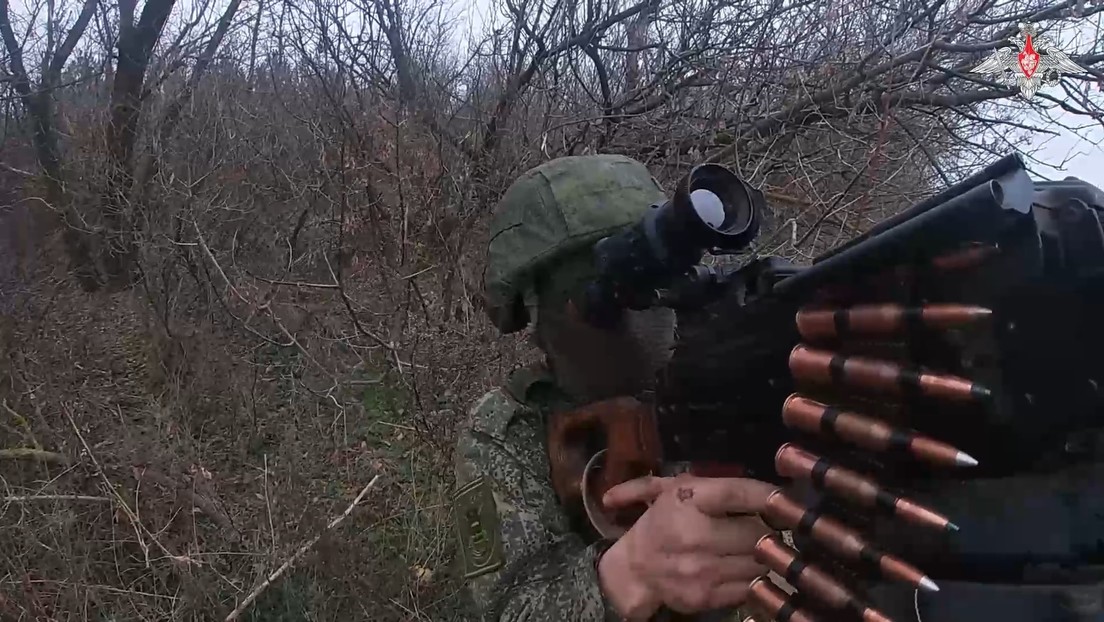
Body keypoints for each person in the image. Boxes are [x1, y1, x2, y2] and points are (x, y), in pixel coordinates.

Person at [453, 154, 779, 621]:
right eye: (605, 293)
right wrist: (630, 573)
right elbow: (510, 607)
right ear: (537, 314)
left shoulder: (724, 368)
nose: (639, 316)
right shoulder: (512, 431)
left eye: (655, 286)